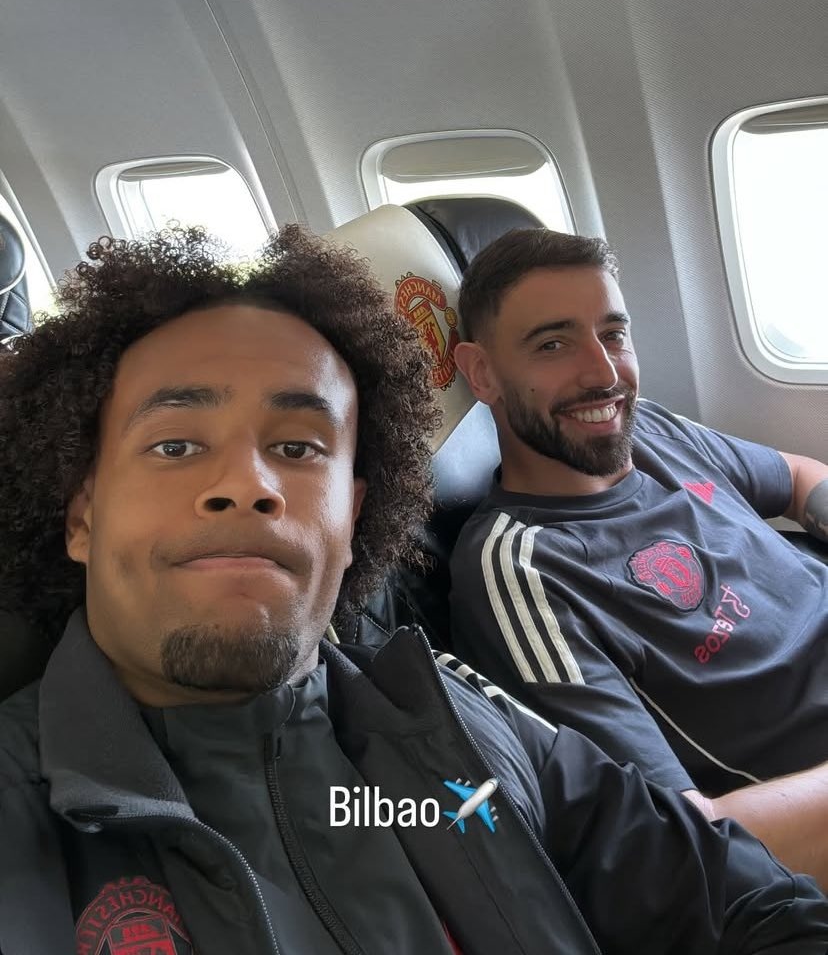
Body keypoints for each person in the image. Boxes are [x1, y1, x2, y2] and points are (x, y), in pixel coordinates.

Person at [1, 227, 826, 955]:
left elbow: (732, 897)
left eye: (298, 447)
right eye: (176, 445)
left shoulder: (445, 721)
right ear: (81, 512)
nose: (247, 485)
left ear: (355, 514)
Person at [450, 226, 828, 892]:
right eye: (553, 344)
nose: (603, 373)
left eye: (613, 334)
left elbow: (797, 477)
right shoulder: (522, 570)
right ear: (482, 373)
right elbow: (682, 844)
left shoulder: (650, 428)